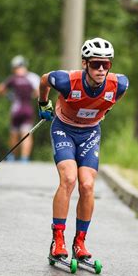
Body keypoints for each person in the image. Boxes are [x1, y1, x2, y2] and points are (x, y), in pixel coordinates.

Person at [37, 37, 129, 261]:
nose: (101, 69)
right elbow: (43, 80)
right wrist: (43, 103)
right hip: (64, 129)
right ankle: (57, 239)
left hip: (90, 133)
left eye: (106, 65)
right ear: (85, 63)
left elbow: (110, 104)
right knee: (69, 179)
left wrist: (100, 114)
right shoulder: (66, 81)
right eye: (96, 64)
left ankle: (80, 243)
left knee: (87, 185)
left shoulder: (119, 85)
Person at [0, 55, 40, 162]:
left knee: (14, 134)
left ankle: (11, 157)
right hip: (27, 108)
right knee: (26, 134)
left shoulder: (13, 78)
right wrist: (31, 96)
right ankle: (24, 159)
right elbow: (38, 92)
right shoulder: (32, 77)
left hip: (16, 109)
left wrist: (9, 95)